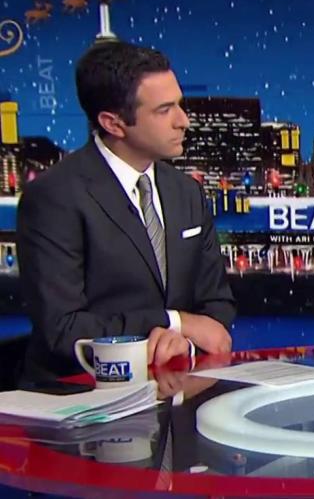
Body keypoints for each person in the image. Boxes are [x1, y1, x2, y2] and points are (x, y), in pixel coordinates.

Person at [17, 41, 236, 383]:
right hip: (82, 395)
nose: (184, 121)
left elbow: (216, 307)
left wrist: (184, 341)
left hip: (176, 388)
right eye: (164, 110)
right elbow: (63, 328)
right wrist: (173, 322)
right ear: (113, 123)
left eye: (180, 105)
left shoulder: (186, 192)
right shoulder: (54, 197)